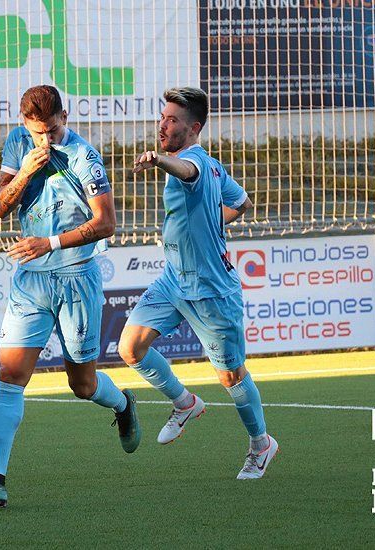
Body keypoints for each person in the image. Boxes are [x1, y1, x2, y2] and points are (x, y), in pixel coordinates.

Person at [0, 85, 141, 508]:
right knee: (9, 377)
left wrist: (51, 243)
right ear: (26, 124)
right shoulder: (18, 143)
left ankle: (123, 403)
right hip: (31, 281)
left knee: (82, 384)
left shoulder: (84, 156)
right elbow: (0, 206)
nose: (47, 140)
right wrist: (23, 172)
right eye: (39, 132)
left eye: (53, 130)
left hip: (76, 277)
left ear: (65, 116)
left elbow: (107, 223)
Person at [118, 87, 278, 480]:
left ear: (194, 129)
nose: (163, 124)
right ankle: (185, 402)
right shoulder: (217, 167)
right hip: (175, 279)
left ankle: (261, 445)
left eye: (172, 120)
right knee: (130, 347)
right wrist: (210, 224)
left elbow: (187, 172)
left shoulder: (191, 164)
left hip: (210, 289)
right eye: (163, 117)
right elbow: (241, 202)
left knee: (231, 376)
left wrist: (159, 160)